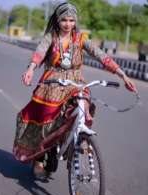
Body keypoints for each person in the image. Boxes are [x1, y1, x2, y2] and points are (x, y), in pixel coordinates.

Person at [13, 2, 137, 178]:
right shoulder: (51, 37)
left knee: (83, 107)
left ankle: (80, 141)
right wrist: (31, 68)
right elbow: (39, 53)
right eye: (64, 20)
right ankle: (40, 158)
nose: (68, 24)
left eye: (72, 20)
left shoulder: (80, 38)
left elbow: (100, 55)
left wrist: (122, 74)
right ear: (58, 19)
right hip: (53, 84)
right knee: (46, 122)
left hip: (76, 83)